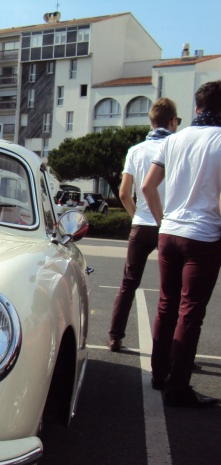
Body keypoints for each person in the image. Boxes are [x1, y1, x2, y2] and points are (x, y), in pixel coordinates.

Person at [141, 81, 221, 408]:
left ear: (197, 107)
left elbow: (147, 187)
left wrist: (163, 221)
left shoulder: (174, 140)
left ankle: (159, 374)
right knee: (190, 312)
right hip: (202, 236)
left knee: (166, 304)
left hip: (169, 231)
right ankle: (178, 386)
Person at [107, 98, 179, 352]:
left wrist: (137, 215)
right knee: (171, 290)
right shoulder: (175, 147)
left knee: (128, 283)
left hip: (141, 224)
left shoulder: (136, 151)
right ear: (172, 121)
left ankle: (115, 336)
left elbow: (124, 192)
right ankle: (172, 347)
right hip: (169, 225)